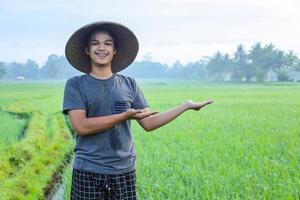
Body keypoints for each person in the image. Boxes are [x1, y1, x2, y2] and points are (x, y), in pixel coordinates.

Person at [63, 21, 214, 200]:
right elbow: (81, 126)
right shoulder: (76, 85)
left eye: (108, 43)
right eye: (95, 43)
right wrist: (122, 116)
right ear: (87, 50)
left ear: (115, 50)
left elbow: (149, 123)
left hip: (124, 170)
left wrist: (185, 106)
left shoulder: (129, 84)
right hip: (88, 169)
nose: (101, 48)